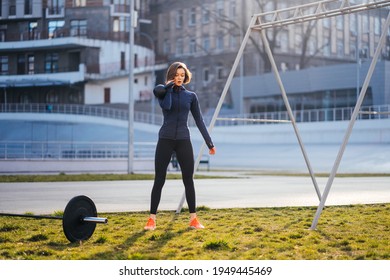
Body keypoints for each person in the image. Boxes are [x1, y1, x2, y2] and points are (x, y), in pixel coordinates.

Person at [144, 62, 216, 230]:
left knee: (188, 180)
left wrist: (209, 142)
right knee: (159, 179)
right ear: (171, 75)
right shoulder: (163, 92)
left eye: (182, 75)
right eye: (177, 75)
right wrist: (169, 87)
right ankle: (152, 219)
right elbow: (167, 106)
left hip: (183, 139)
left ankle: (193, 219)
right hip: (165, 139)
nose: (180, 77)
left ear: (185, 77)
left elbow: (199, 120)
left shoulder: (191, 96)